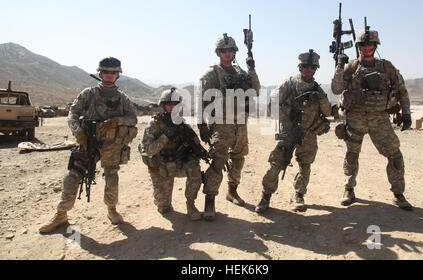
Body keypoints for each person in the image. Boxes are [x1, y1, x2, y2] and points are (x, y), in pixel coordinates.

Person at [39, 57, 138, 233]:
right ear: (100, 73)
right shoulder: (89, 93)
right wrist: (78, 133)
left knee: (111, 176)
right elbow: (73, 113)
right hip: (89, 141)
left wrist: (116, 121)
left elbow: (133, 119)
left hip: (112, 144)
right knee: (73, 175)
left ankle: (111, 210)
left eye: (113, 72)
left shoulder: (123, 98)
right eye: (106, 72)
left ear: (118, 75)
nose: (109, 75)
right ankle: (61, 214)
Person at [331, 28, 413, 210]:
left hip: (380, 119)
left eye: (370, 45)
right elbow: (336, 89)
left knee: (395, 156)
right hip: (355, 118)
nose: (366, 48)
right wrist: (339, 65)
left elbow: (402, 91)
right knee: (351, 156)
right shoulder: (351, 67)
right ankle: (348, 189)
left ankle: (398, 193)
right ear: (358, 46)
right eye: (363, 45)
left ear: (375, 46)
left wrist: (406, 113)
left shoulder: (387, 67)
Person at [255, 50, 331, 213]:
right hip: (289, 132)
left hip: (308, 134)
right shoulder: (288, 84)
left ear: (316, 68)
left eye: (312, 67)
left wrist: (320, 99)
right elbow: (272, 105)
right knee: (276, 165)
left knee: (305, 166)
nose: (308, 69)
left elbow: (328, 111)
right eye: (305, 66)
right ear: (299, 67)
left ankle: (299, 195)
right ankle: (265, 196)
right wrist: (287, 119)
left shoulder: (318, 89)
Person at [198, 33, 260, 221]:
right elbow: (202, 101)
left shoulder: (241, 72)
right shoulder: (211, 74)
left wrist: (251, 68)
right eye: (224, 50)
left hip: (240, 122)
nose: (227, 53)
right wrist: (202, 125)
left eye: (231, 50)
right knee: (218, 161)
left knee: (239, 159)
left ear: (235, 52)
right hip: (221, 123)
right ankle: (210, 200)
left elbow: (256, 90)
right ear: (218, 53)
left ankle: (232, 191)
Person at [139, 88, 203, 221]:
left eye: (175, 104)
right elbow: (149, 149)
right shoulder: (155, 123)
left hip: (178, 164)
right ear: (162, 105)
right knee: (164, 208)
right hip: (161, 166)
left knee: (194, 168)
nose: (171, 107)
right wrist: (165, 136)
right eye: (168, 104)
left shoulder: (182, 124)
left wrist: (195, 152)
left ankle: (190, 204)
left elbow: (195, 144)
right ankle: (162, 201)